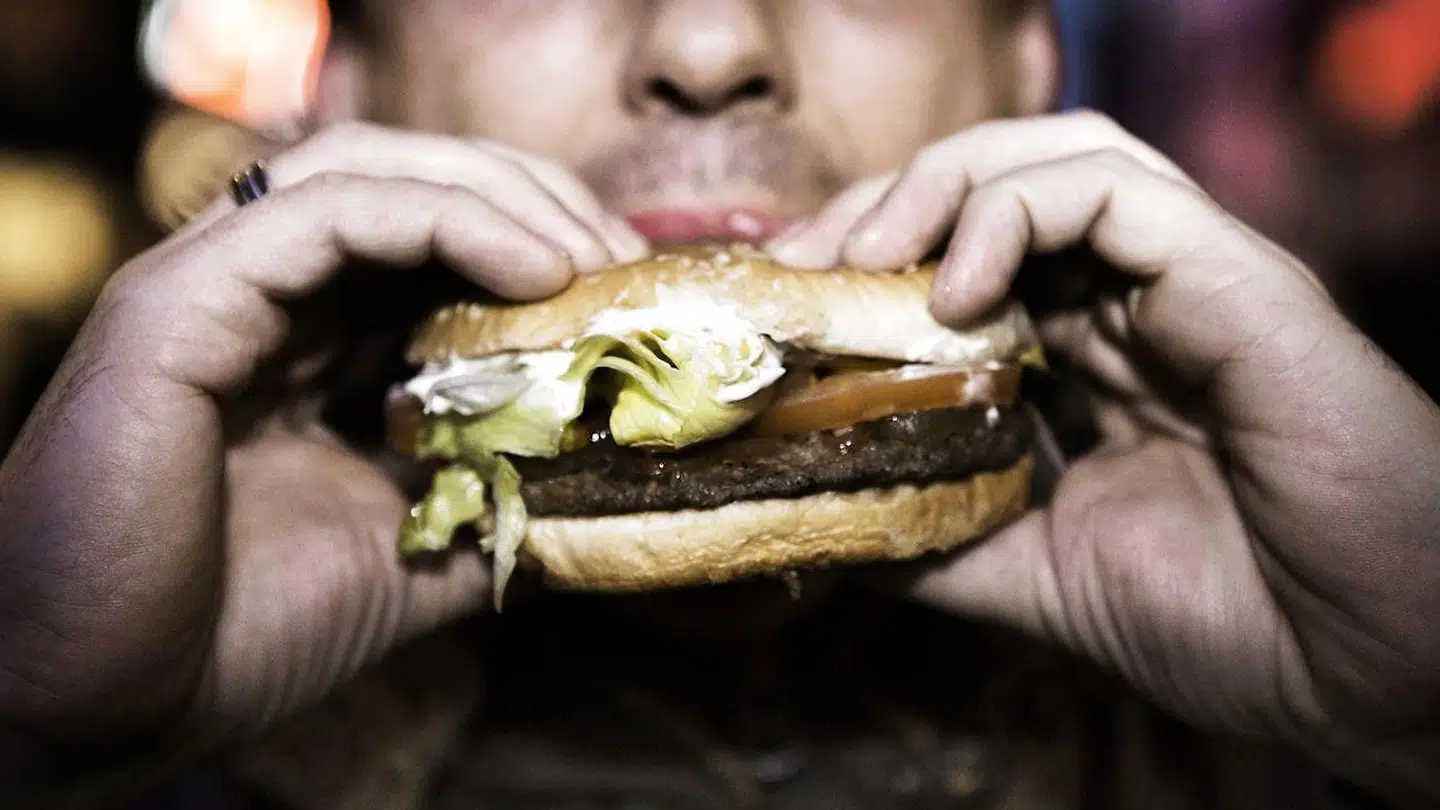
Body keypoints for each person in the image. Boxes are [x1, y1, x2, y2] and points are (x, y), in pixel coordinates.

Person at [1, 1, 1436, 807]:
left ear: (1029, 72)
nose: (703, 42)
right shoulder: (124, 654)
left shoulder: (1297, 627)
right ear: (345, 94)